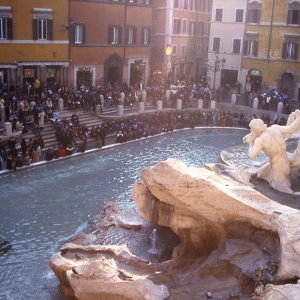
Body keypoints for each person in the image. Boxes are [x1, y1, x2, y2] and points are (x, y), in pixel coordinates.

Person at [243, 117, 300, 193]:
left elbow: (251, 155)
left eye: (252, 129)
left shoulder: (260, 140)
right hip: (285, 162)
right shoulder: (275, 128)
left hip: (278, 168)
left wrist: (251, 143)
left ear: (256, 130)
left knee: (282, 189)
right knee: (260, 174)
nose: (251, 131)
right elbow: (291, 129)